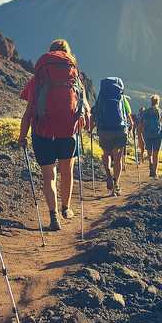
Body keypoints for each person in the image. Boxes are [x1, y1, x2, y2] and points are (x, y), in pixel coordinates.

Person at [17, 39, 89, 231]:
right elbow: (84, 108)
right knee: (67, 172)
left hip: (43, 132)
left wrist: (22, 136)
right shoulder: (75, 78)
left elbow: (29, 111)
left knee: (49, 176)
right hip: (68, 133)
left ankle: (53, 216)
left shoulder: (38, 79)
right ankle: (66, 208)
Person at [91, 77, 134, 196]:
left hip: (104, 130)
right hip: (119, 130)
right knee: (118, 157)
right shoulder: (122, 99)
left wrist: (90, 129)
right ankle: (116, 184)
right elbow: (129, 117)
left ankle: (108, 175)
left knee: (106, 153)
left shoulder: (101, 98)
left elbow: (94, 113)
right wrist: (130, 129)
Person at [139, 94, 162, 178]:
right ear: (158, 102)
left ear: (151, 102)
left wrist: (141, 133)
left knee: (150, 153)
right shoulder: (161, 112)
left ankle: (150, 163)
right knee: (156, 154)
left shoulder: (145, 112)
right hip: (158, 136)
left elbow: (141, 125)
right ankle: (155, 172)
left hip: (147, 135)